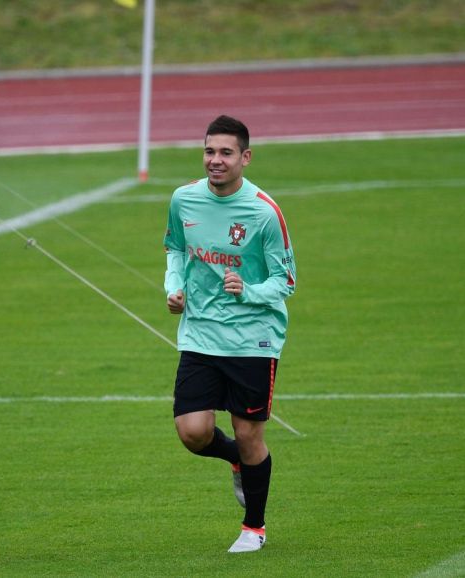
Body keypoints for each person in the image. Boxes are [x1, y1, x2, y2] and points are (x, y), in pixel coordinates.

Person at [162, 115, 296, 553]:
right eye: (208, 151)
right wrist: (174, 287)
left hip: (252, 339)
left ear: (245, 157)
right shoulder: (183, 200)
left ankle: (253, 527)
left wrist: (249, 289)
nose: (214, 161)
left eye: (225, 153)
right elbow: (176, 249)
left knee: (249, 432)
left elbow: (287, 281)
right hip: (199, 335)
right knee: (192, 432)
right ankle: (236, 461)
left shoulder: (263, 212)